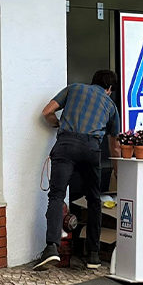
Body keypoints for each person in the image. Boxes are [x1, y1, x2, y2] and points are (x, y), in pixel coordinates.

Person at [35, 69, 121, 271]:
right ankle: (93, 255)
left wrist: (58, 125)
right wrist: (117, 172)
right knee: (93, 200)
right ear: (109, 89)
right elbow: (115, 145)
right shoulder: (110, 105)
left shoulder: (73, 89)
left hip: (65, 145)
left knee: (56, 195)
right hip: (91, 148)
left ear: (92, 82)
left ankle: (52, 248)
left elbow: (47, 111)